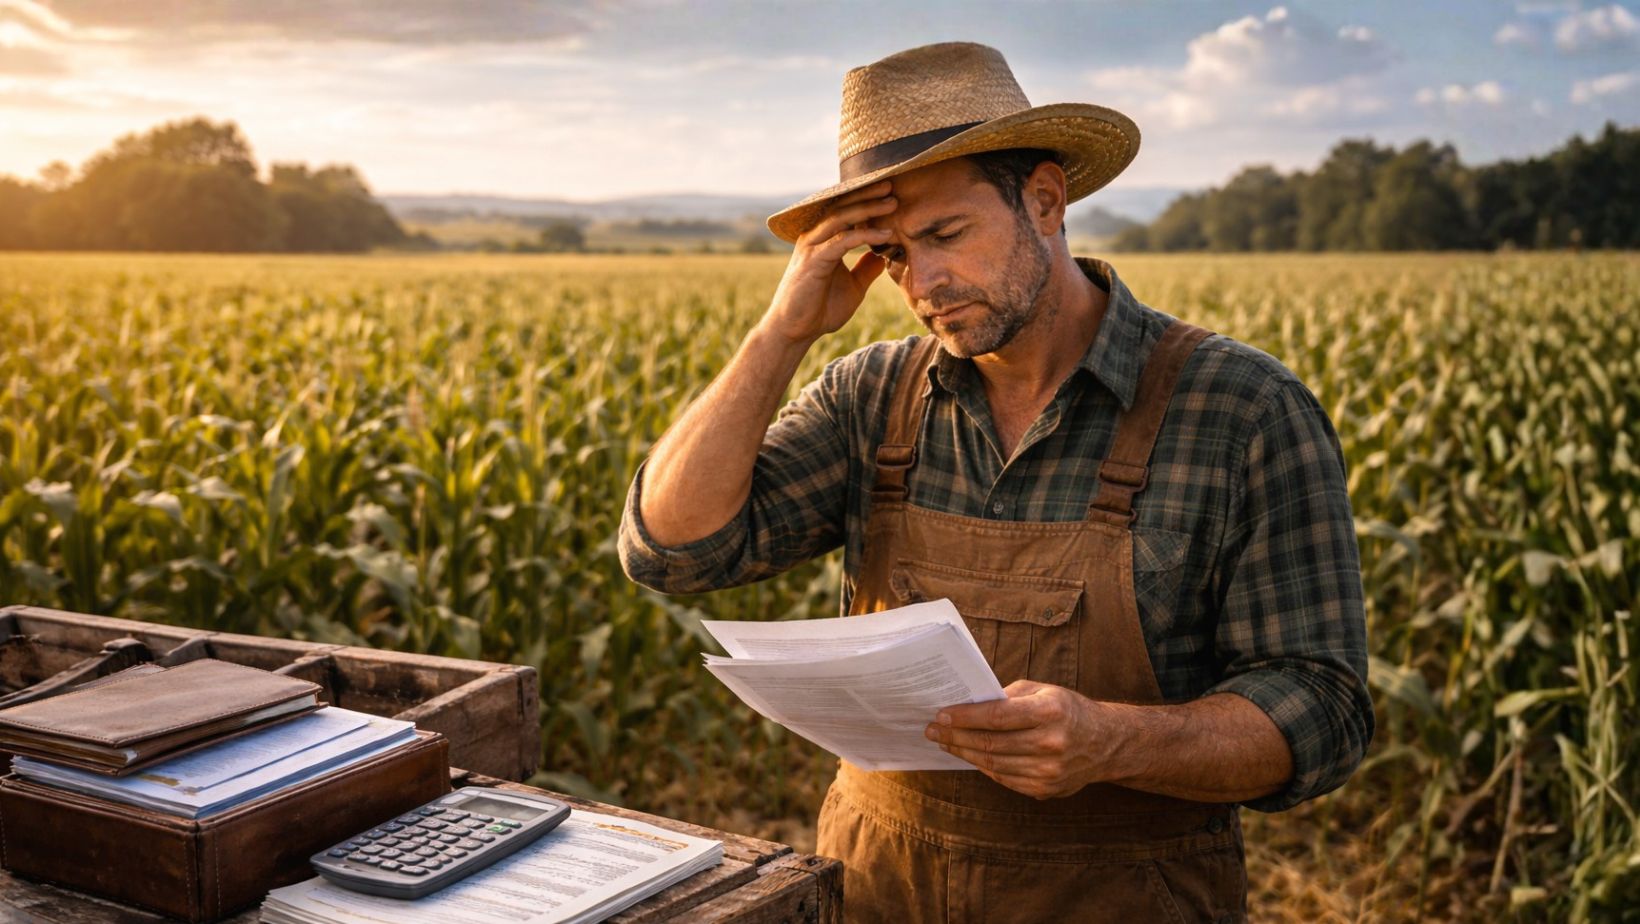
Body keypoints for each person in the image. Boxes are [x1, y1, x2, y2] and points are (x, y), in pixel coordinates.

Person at [618, 41, 1372, 922]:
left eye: (945, 235)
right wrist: (783, 332)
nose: (923, 283)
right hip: (876, 890)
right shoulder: (874, 397)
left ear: (1045, 201)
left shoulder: (1240, 409)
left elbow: (1322, 710)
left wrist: (1113, 741)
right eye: (894, 254)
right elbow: (671, 551)